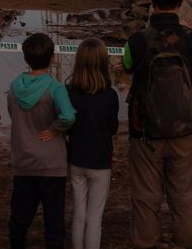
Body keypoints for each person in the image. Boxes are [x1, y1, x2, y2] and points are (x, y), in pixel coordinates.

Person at [123, 0, 192, 249]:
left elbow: (126, 68)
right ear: (181, 1)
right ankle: (184, 242)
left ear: (152, 2)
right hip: (187, 131)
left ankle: (147, 242)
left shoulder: (136, 41)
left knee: (146, 197)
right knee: (184, 196)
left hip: (145, 133)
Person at [8, 32, 77, 249]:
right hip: (51, 163)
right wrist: (55, 128)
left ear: (26, 58)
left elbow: (12, 114)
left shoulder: (14, 87)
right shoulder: (55, 87)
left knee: (20, 217)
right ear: (52, 58)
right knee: (53, 219)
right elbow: (68, 117)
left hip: (23, 161)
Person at [66, 38, 120, 249]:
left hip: (77, 159)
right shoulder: (110, 96)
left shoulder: (69, 93)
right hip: (100, 161)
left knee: (79, 213)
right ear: (104, 62)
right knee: (94, 217)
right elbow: (113, 128)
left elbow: (67, 125)